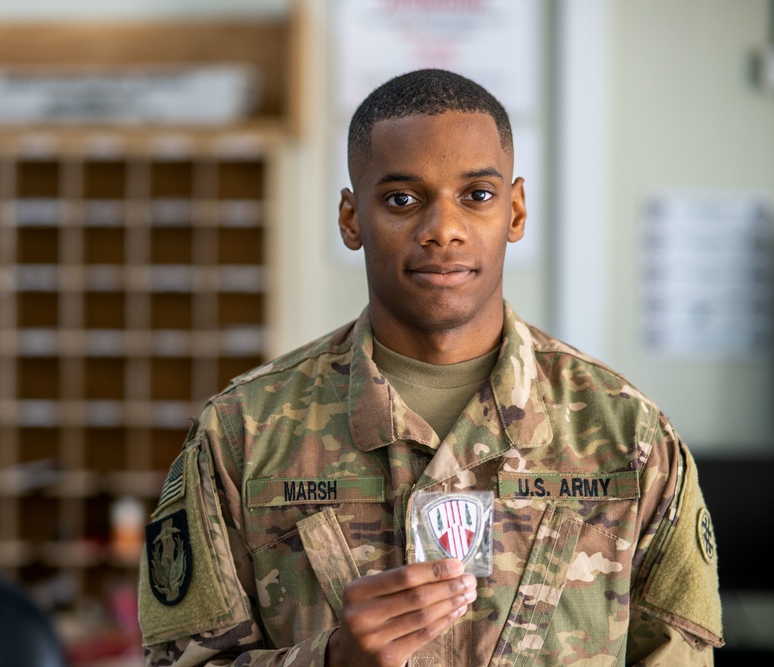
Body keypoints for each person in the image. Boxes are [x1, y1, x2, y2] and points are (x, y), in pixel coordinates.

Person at [137, 68, 724, 666]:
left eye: (477, 196)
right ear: (351, 219)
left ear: (516, 212)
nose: (443, 229)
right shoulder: (243, 432)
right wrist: (330, 662)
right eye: (401, 199)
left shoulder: (630, 437)